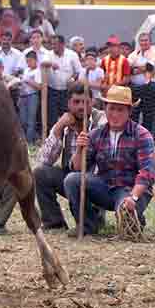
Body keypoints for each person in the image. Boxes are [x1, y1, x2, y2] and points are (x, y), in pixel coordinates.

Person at [66, 86, 155, 236]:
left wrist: (133, 197)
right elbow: (77, 168)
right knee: (72, 180)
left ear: (129, 112)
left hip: (131, 190)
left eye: (120, 110)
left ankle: (134, 218)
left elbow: (147, 173)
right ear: (105, 109)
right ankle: (87, 226)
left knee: (127, 222)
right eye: (111, 109)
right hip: (105, 188)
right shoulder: (96, 134)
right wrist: (80, 149)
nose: (114, 114)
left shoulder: (142, 135)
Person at [35, 86, 106, 230]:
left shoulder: (102, 122)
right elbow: (44, 159)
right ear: (68, 103)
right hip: (70, 180)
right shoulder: (64, 123)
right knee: (40, 172)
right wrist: (58, 128)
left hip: (96, 182)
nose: (81, 107)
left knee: (74, 178)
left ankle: (92, 220)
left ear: (92, 102)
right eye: (76, 102)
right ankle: (54, 223)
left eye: (85, 102)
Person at [45, 35, 82, 134]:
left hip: (67, 91)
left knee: (68, 116)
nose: (53, 46)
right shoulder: (48, 54)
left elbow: (78, 71)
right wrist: (50, 64)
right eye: (52, 44)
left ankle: (67, 138)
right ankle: (52, 139)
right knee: (52, 117)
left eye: (55, 44)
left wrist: (73, 79)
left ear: (62, 44)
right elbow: (42, 64)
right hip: (52, 90)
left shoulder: (72, 55)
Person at [128, 32, 155, 133]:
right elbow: (128, 69)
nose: (144, 42)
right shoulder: (134, 54)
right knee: (133, 114)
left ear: (150, 41)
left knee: (149, 115)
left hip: (149, 87)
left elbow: (150, 67)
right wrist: (143, 68)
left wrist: (136, 68)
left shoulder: (154, 53)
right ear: (139, 42)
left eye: (146, 40)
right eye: (142, 40)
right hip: (135, 88)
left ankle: (148, 137)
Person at [18, 51, 42, 144]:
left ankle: (29, 143)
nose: (28, 63)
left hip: (32, 96)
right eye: (27, 61)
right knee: (23, 121)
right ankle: (35, 138)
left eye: (30, 61)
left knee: (31, 121)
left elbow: (40, 87)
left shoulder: (38, 71)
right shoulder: (26, 70)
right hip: (23, 96)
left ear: (35, 60)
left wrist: (28, 81)